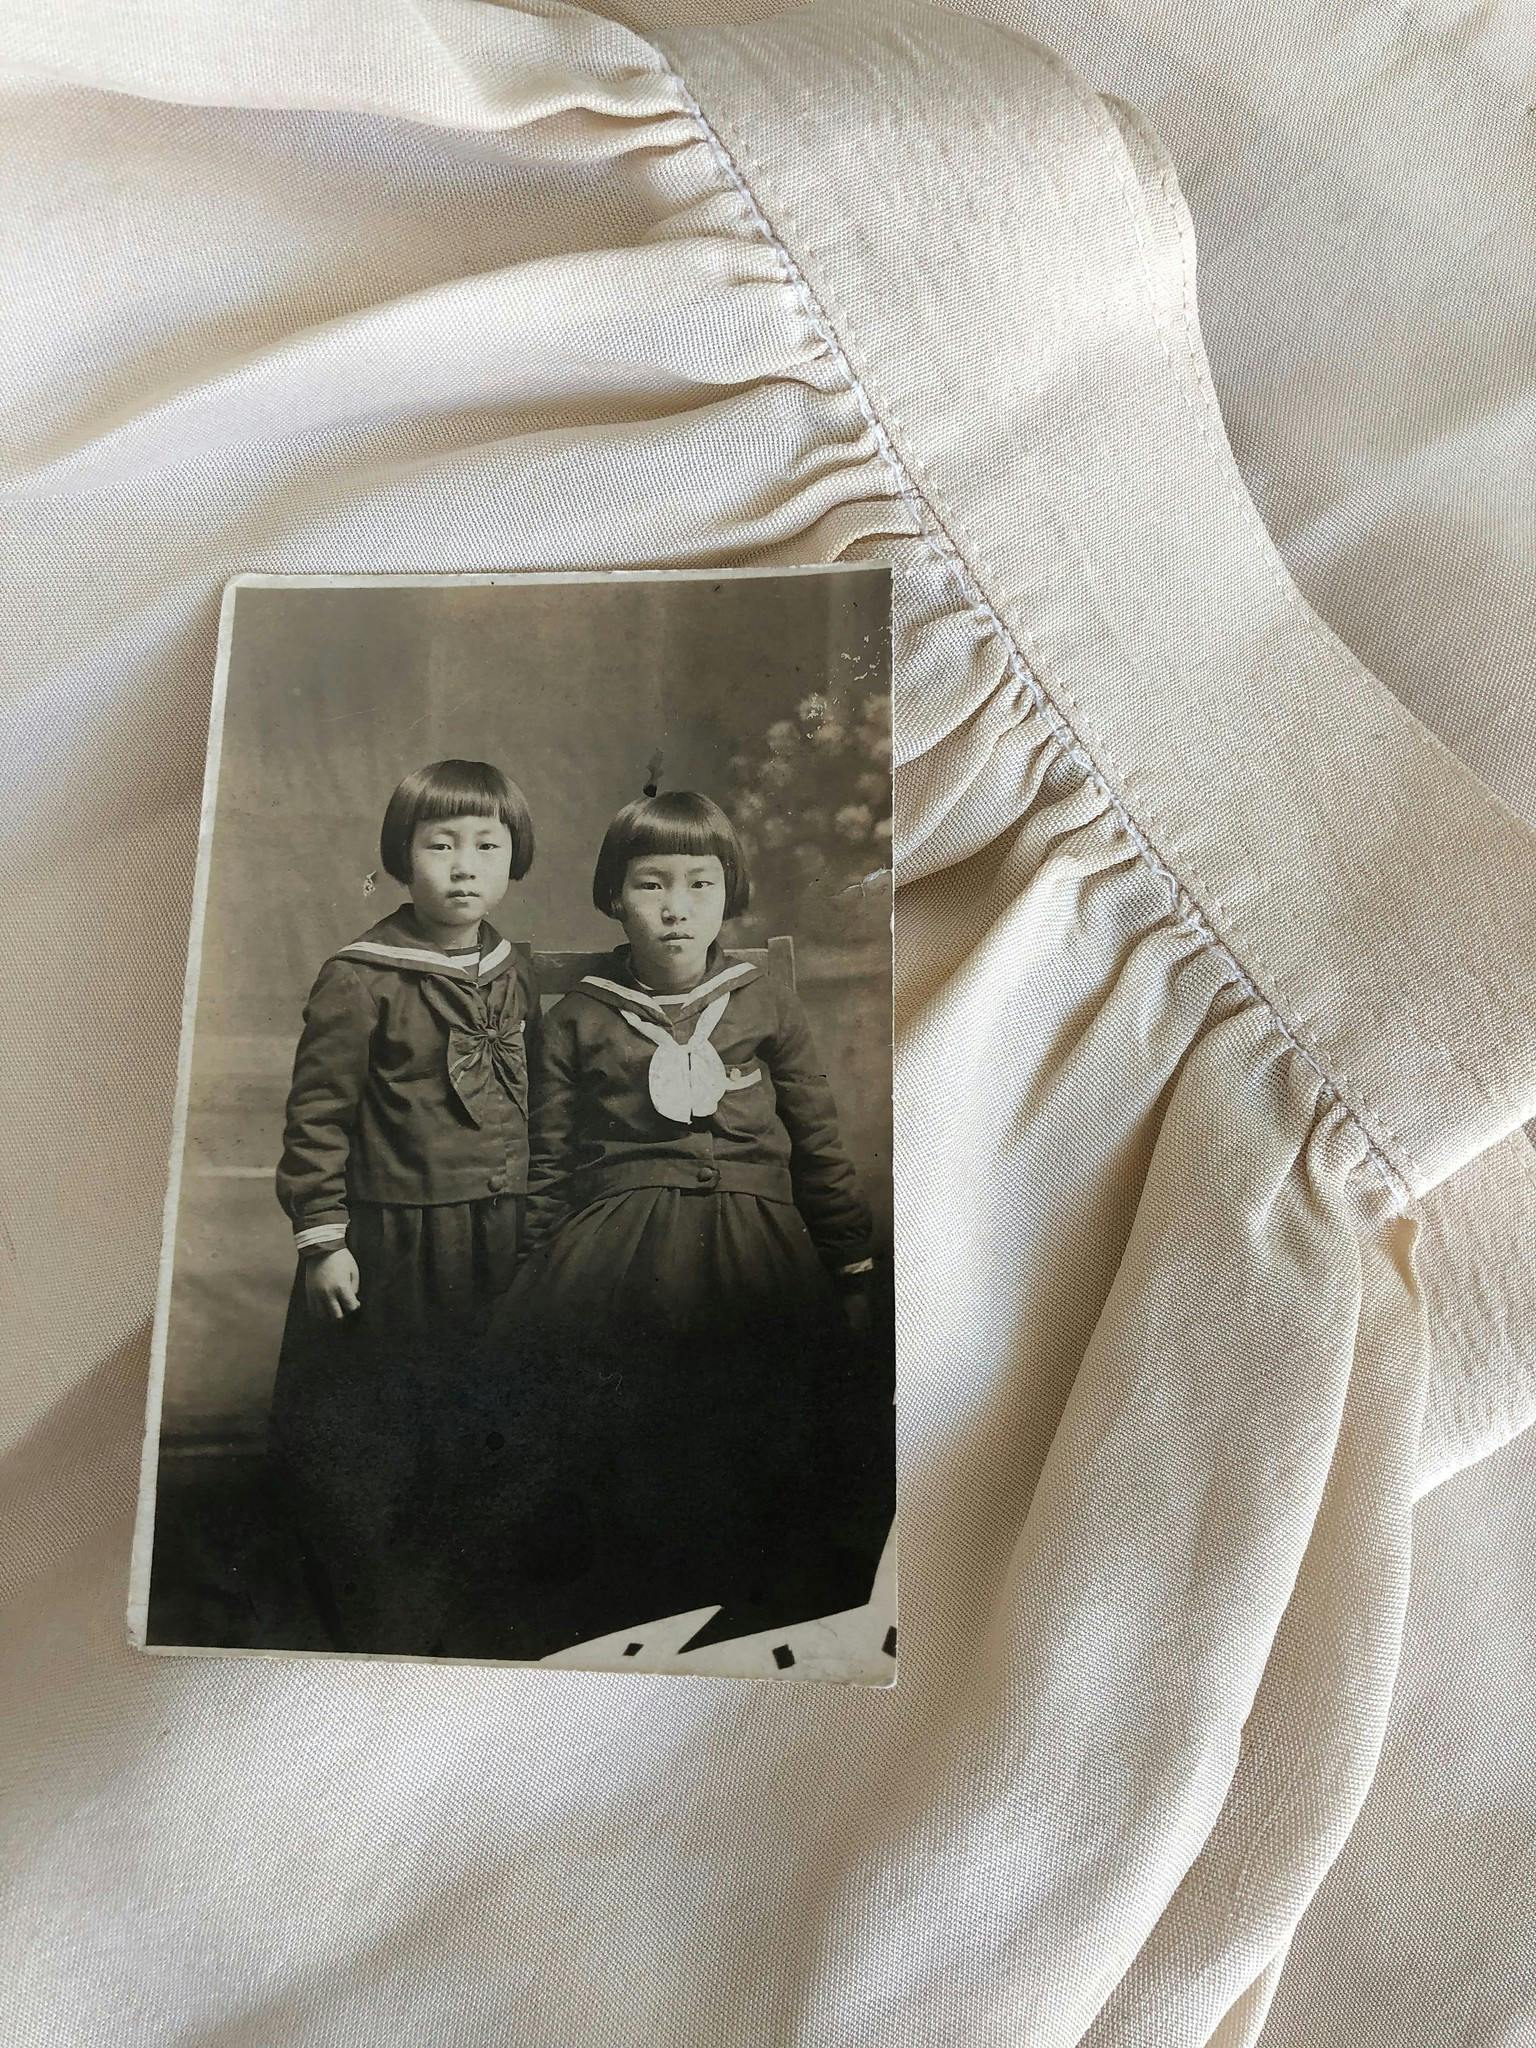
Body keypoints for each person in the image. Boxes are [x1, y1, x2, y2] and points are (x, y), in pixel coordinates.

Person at [464, 789, 892, 1662]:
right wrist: (528, 1271)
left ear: (729, 896)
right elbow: (550, 1160)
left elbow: (816, 1141)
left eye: (700, 885)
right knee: (582, 1381)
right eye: (651, 885)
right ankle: (625, 1601)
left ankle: (745, 1599)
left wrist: (850, 1264)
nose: (675, 908)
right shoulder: (579, 1018)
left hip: (754, 1230)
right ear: (614, 897)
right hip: (617, 1234)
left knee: (773, 1393)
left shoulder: (765, 1002)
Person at [268, 758, 539, 1654]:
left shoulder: (514, 971)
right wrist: (324, 1242)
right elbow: (317, 1118)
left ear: (513, 859)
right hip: (397, 1243)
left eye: (486, 846)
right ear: (401, 855)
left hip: (500, 1234)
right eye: (441, 844)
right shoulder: (361, 977)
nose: (464, 866)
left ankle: (473, 1601)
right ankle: (379, 1611)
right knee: (380, 1424)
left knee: (484, 1418)